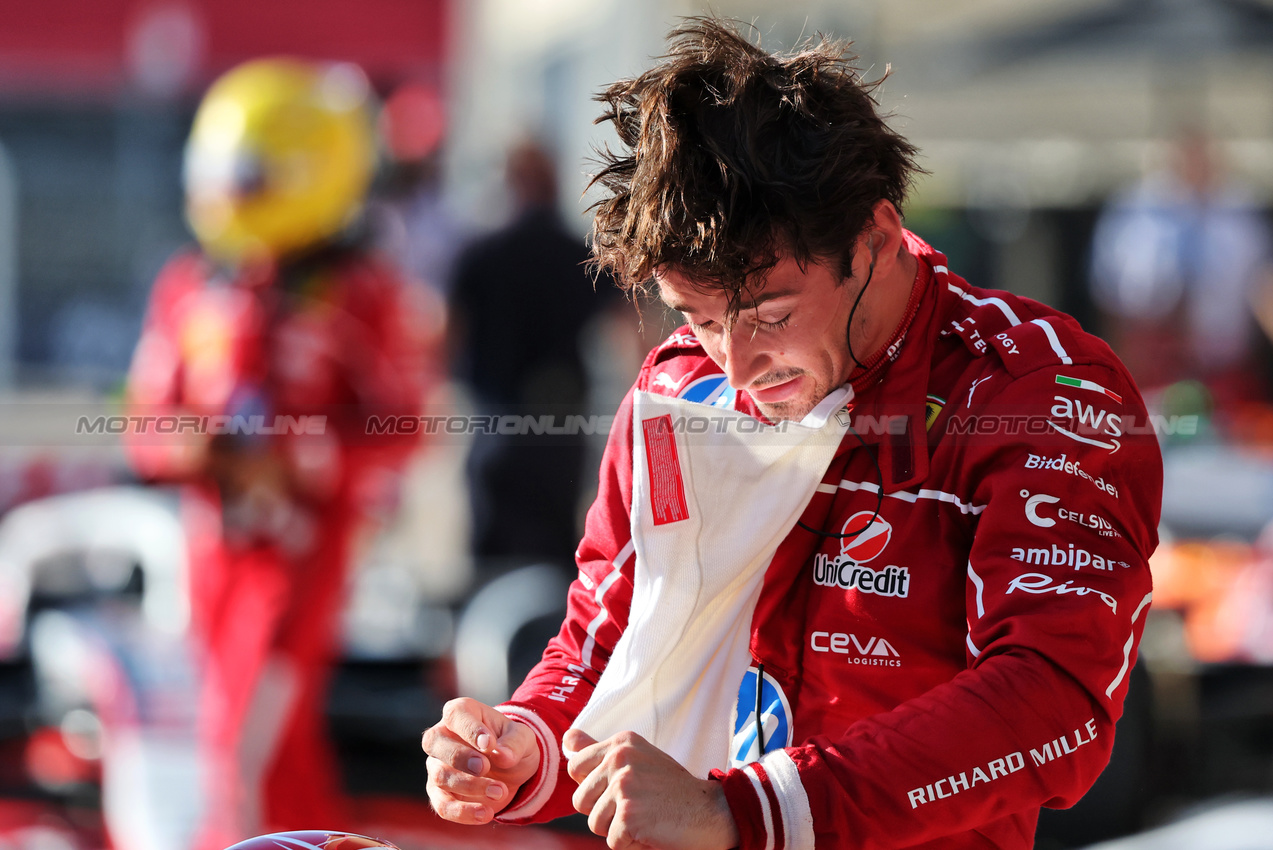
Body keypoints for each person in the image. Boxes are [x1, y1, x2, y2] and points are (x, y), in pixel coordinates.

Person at [422, 18, 1161, 850]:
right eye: (699, 319)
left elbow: (1056, 703)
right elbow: (612, 641)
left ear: (875, 240)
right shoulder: (679, 391)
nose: (737, 366)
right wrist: (525, 746)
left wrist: (743, 810)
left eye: (769, 314)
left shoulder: (1039, 393)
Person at [126, 59, 436, 850]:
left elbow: (405, 427)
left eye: (249, 177)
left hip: (304, 554)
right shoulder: (191, 284)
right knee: (248, 753)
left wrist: (295, 457)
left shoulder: (364, 290)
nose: (228, 194)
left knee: (245, 747)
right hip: (211, 553)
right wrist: (190, 448)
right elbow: (143, 424)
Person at [448, 139, 611, 579]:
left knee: (491, 554)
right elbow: (628, 325)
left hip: (497, 422)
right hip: (561, 425)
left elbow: (448, 336)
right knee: (554, 555)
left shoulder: (481, 253)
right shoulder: (579, 253)